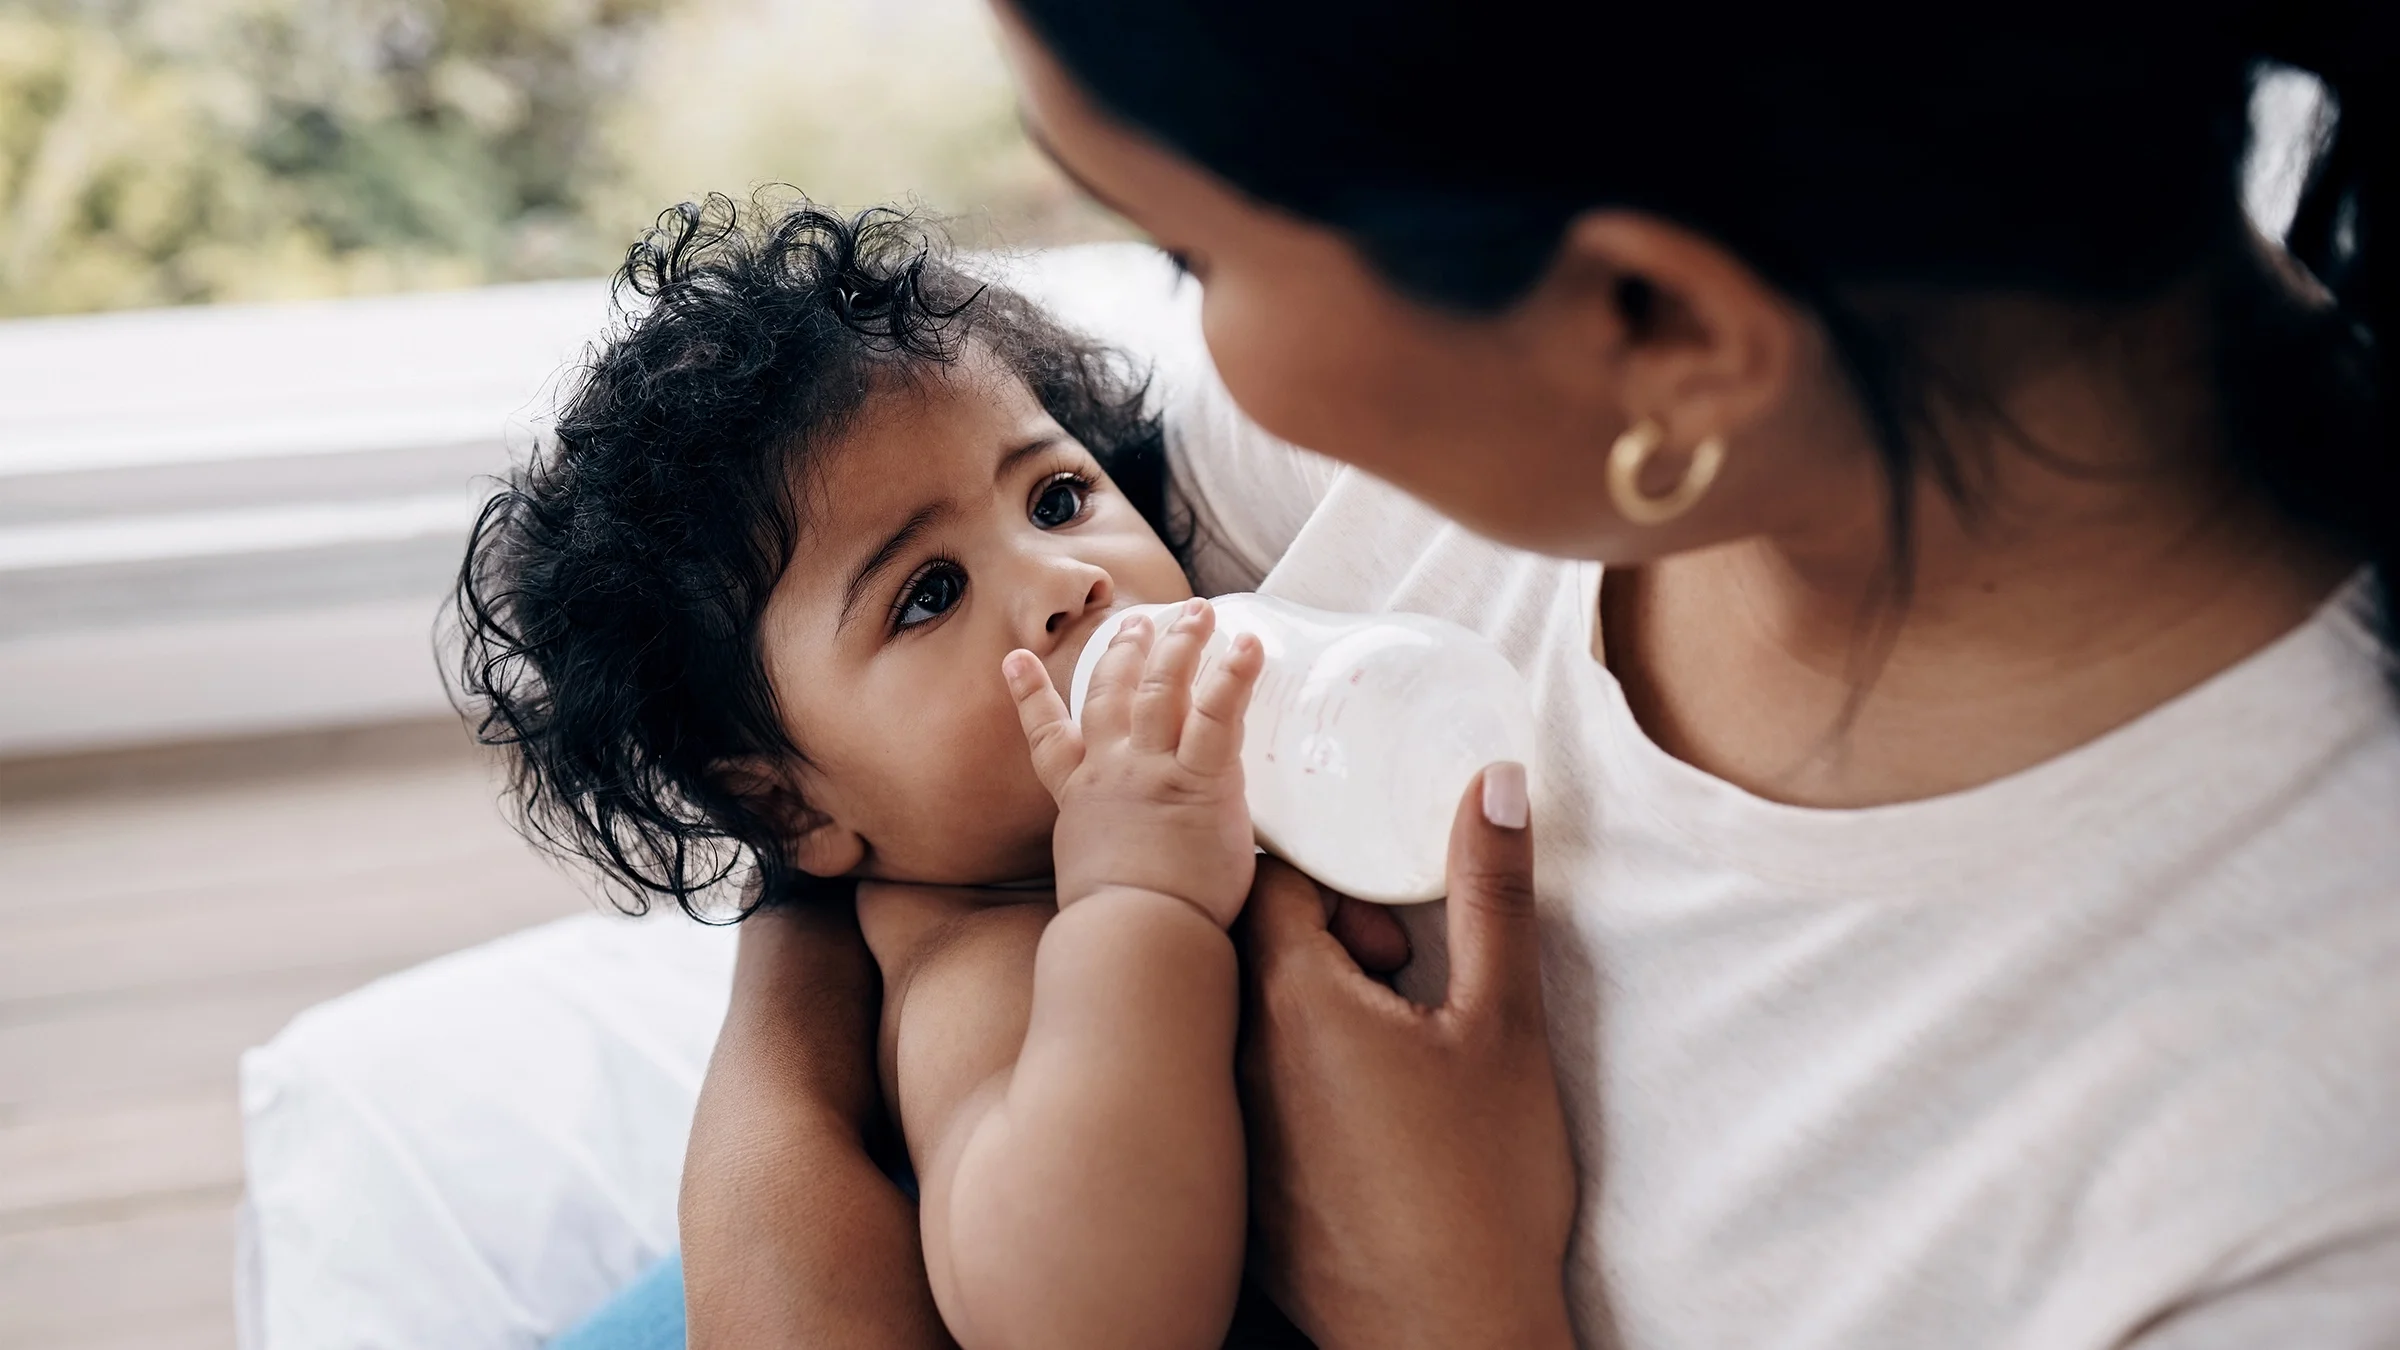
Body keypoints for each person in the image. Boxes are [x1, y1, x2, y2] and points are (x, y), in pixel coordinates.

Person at [662, 3, 2400, 1348]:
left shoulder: (2308, 1195)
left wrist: (1452, 1315)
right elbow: (861, 778)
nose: (1065, 574)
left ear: (1657, 333)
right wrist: (853, 960)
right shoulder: (1472, 392)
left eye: (1196, 258)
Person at [458, 197, 1406, 1349]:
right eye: (929, 594)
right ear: (787, 802)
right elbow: (1088, 1318)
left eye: (1059, 497)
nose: (1067, 579)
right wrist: (1137, 908)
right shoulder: (980, 962)